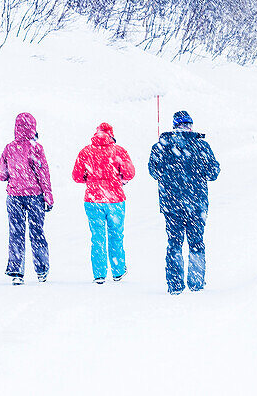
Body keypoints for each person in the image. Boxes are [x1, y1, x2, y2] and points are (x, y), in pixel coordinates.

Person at [149, 110, 221, 294]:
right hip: (197, 205)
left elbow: (153, 172)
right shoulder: (201, 146)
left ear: (174, 126)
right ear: (190, 125)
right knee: (196, 242)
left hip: (171, 204)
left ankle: (175, 285)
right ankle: (196, 283)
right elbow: (213, 173)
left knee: (174, 243)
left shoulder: (161, 146)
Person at [72, 122, 135, 284]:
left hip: (93, 200)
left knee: (97, 237)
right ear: (111, 134)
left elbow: (77, 176)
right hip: (115, 200)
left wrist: (90, 179)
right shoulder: (119, 151)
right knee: (116, 235)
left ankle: (99, 274)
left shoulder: (86, 151)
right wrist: (120, 179)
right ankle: (118, 270)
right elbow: (129, 173)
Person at [0, 112, 54, 285]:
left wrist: (13, 174)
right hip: (34, 196)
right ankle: (42, 270)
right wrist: (48, 196)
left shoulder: (9, 148)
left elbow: (1, 174)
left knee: (16, 233)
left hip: (14, 197)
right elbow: (43, 174)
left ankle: (16, 272)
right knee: (37, 233)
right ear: (33, 127)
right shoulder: (36, 148)